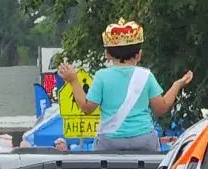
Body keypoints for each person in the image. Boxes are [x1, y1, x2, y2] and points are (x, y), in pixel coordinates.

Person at [58, 18, 192, 154]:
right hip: (143, 138)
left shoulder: (101, 76)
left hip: (109, 140)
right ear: (139, 55)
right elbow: (160, 108)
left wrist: (73, 81)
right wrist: (177, 85)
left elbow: (87, 108)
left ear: (107, 54)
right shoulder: (146, 76)